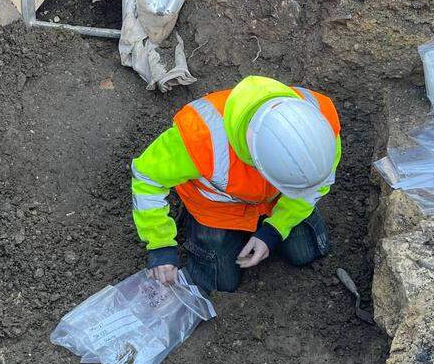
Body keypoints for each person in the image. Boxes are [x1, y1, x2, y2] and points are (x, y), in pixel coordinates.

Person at [130, 75, 340, 293]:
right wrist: (161, 245)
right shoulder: (199, 136)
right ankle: (193, 225)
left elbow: (316, 185)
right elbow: (147, 178)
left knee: (306, 253)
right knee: (220, 284)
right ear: (255, 161)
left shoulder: (320, 125)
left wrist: (275, 229)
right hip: (216, 211)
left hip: (275, 202)